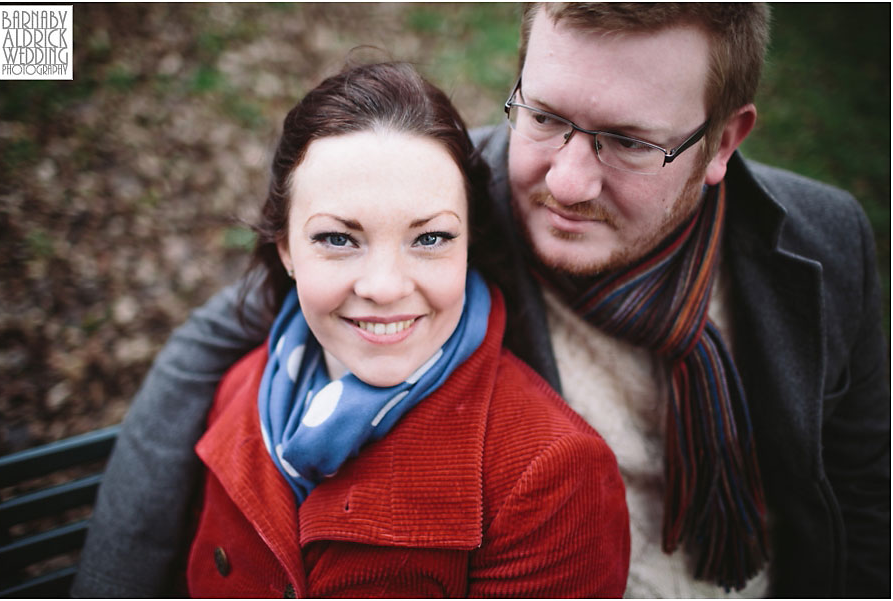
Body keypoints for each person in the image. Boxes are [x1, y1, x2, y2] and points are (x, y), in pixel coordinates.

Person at [74, 3, 890, 598]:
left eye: (630, 141)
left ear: (722, 141)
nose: (565, 183)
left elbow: (863, 491)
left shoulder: (824, 241)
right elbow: (221, 341)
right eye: (545, 114)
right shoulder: (450, 200)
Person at [78, 61, 631, 598]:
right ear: (287, 250)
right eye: (339, 239)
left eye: (430, 238)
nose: (385, 286)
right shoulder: (236, 391)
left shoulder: (554, 475)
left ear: (469, 248)